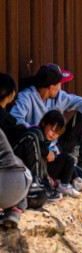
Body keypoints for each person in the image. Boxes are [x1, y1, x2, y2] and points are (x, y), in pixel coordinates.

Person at [10, 63, 82, 185]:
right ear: (50, 87)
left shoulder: (58, 96)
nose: (60, 86)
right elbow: (15, 120)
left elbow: (81, 102)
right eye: (59, 84)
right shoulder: (26, 97)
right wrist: (39, 139)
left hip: (58, 146)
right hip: (40, 151)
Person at [0, 75, 32, 229]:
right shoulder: (9, 121)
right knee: (23, 172)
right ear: (11, 94)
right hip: (14, 184)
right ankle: (15, 210)